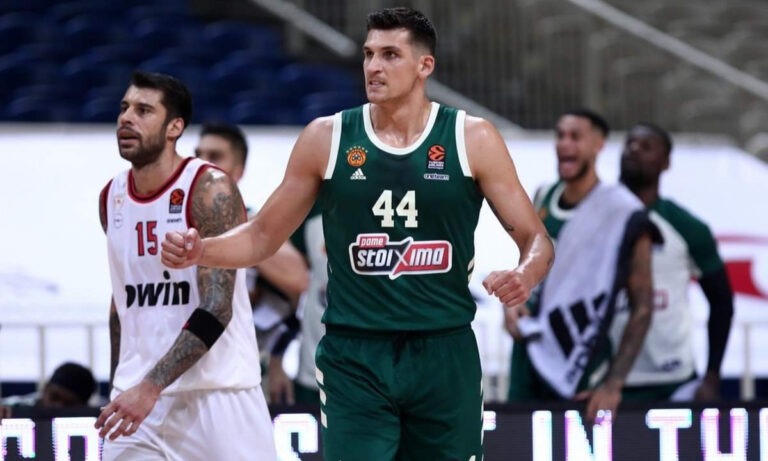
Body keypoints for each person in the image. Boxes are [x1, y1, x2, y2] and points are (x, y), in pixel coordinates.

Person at [162, 6, 554, 460]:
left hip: (444, 349)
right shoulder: (326, 137)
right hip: (356, 353)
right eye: (369, 54)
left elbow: (537, 240)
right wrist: (202, 250)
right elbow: (262, 236)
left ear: (424, 65)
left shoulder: (473, 138)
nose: (373, 66)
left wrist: (525, 275)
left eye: (390, 55)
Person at [96, 71, 276, 460]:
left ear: (175, 127)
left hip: (218, 397)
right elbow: (121, 304)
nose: (126, 118)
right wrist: (119, 384)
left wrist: (149, 387)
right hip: (139, 401)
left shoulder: (210, 189)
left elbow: (217, 306)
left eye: (144, 110)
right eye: (124, 108)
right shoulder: (111, 197)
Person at [505, 108, 658, 423]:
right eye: (560, 135)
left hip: (580, 349)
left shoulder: (622, 211)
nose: (565, 144)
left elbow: (643, 305)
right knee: (518, 439)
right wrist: (513, 303)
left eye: (575, 137)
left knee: (573, 443)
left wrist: (614, 383)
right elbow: (525, 262)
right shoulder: (544, 195)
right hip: (530, 347)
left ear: (598, 145)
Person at [611, 122, 734, 401]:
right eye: (629, 143)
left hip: (672, 382)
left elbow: (722, 302)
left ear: (665, 163)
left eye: (646, 146)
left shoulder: (686, 227)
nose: (634, 150)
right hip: (602, 382)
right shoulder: (593, 218)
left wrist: (712, 375)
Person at [194, 122, 309, 404]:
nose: (202, 164)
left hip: (238, 364)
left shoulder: (253, 225)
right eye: (198, 155)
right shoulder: (174, 219)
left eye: (215, 156)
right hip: (183, 361)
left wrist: (241, 240)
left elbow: (299, 280)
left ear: (238, 170)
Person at [269, 203, 327, 406]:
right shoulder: (313, 205)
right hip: (314, 372)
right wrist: (277, 358)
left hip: (378, 375)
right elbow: (294, 295)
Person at [1, 362, 97, 418]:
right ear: (45, 389)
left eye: (69, 404)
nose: (57, 406)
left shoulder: (97, 417)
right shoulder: (11, 408)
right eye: (55, 397)